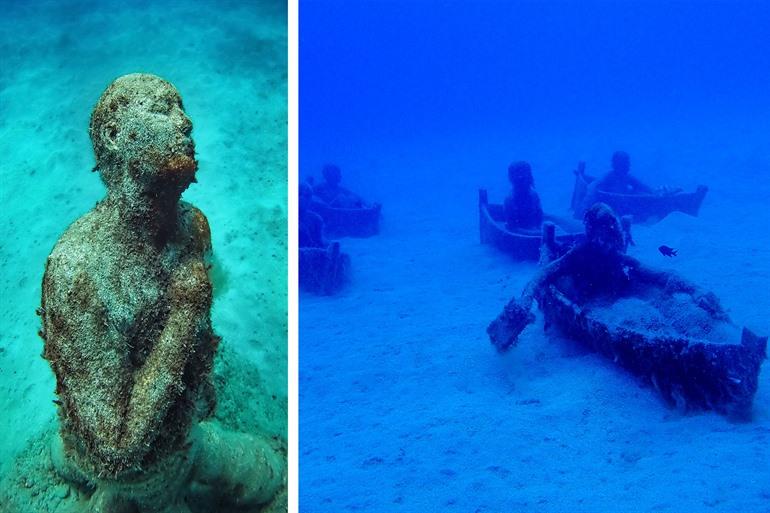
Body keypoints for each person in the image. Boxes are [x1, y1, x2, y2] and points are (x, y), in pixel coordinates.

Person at [40, 74, 283, 511]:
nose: (185, 122)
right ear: (114, 136)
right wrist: (185, 313)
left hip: (182, 438)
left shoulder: (194, 226)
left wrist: (201, 391)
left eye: (182, 107)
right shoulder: (77, 271)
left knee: (269, 472)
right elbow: (115, 449)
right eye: (162, 109)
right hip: (142, 472)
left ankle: (66, 454)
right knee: (268, 478)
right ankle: (72, 457)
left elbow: (200, 351)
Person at [504, 161, 543, 231]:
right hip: (522, 233)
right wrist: (536, 233)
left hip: (534, 230)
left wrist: (538, 230)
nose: (522, 178)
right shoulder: (510, 199)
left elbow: (539, 218)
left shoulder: (534, 196)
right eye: (519, 177)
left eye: (524, 175)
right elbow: (512, 227)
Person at [299, 182, 325, 248]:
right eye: (299, 194)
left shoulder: (316, 219)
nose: (303, 198)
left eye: (308, 196)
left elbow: (319, 242)